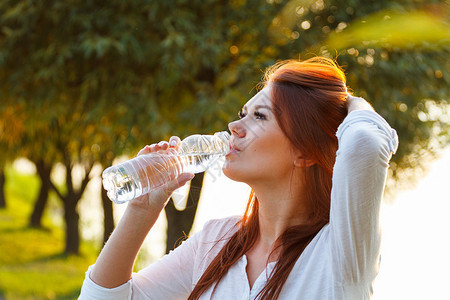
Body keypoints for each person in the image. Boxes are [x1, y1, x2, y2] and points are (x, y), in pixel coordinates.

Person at [79, 57, 398, 299]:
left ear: (306, 152)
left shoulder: (341, 250)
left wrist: (345, 104)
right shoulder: (217, 240)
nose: (234, 126)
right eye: (243, 113)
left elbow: (364, 143)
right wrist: (142, 208)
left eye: (260, 116)